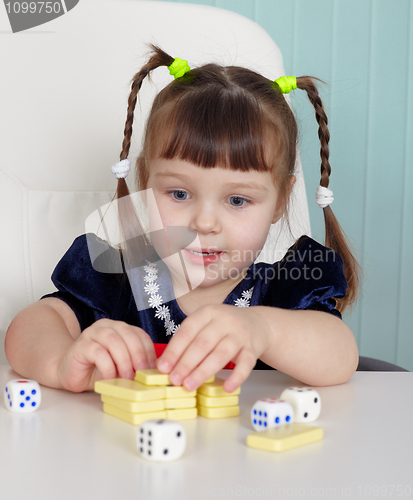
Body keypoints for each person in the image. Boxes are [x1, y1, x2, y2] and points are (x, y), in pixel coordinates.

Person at [5, 46, 360, 394]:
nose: (204, 223)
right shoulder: (117, 281)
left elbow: (340, 355)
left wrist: (261, 329)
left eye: (237, 199)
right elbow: (29, 327)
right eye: (179, 194)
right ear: (146, 183)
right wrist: (63, 361)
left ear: (281, 201)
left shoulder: (283, 292)